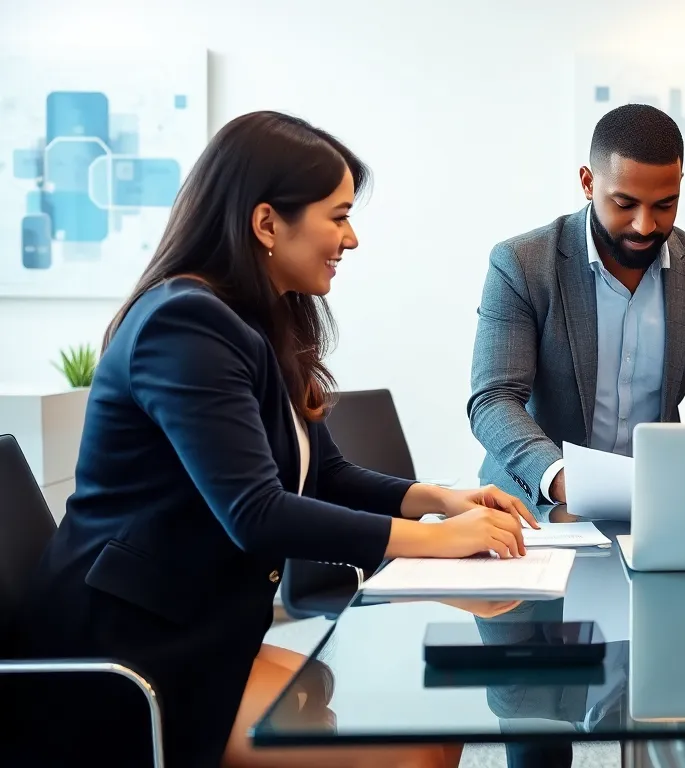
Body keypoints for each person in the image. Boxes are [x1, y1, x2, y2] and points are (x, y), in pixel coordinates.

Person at [7, 111, 535, 768]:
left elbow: (330, 472)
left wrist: (439, 500)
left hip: (197, 620)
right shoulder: (185, 324)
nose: (352, 238)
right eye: (338, 216)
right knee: (416, 751)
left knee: (432, 724)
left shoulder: (261, 321)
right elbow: (255, 513)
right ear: (265, 224)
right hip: (126, 648)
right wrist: (437, 541)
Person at [468, 103, 685, 510]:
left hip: (663, 504)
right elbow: (493, 399)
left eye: (665, 204)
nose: (645, 225)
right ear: (587, 182)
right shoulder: (522, 264)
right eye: (624, 203)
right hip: (541, 507)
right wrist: (564, 478)